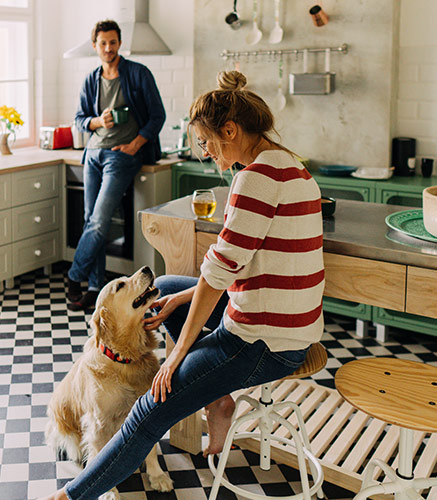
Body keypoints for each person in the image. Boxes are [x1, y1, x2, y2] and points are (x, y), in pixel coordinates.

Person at [39, 70, 324, 500]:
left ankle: (71, 495)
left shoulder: (255, 180)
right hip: (288, 328)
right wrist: (179, 298)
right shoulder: (290, 167)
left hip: (261, 344)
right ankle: (217, 396)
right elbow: (236, 268)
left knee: (150, 409)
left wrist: (175, 358)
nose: (205, 152)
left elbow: (216, 275)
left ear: (231, 130)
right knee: (168, 287)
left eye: (207, 142)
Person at [67, 19, 166, 311]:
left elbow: (157, 116)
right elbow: (80, 120)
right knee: (92, 222)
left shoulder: (138, 74)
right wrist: (98, 121)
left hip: (121, 157)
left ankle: (74, 276)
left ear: (119, 43)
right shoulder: (91, 79)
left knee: (97, 221)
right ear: (95, 45)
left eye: (112, 42)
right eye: (102, 43)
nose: (108, 48)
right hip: (93, 155)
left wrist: (135, 145)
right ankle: (96, 289)